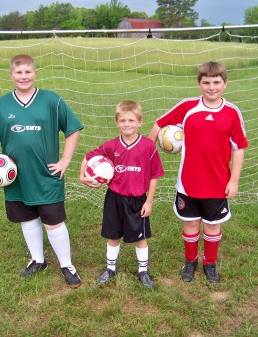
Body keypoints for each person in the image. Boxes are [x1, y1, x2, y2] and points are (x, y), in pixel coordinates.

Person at [0, 54, 83, 288]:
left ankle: (66, 265)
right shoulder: (1, 106)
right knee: (27, 218)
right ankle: (38, 260)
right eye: (18, 72)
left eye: (28, 72)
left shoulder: (51, 101)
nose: (23, 76)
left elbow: (73, 129)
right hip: (16, 178)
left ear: (35, 73)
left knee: (53, 222)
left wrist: (65, 159)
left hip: (46, 175)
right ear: (11, 75)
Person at [149, 61, 248, 284]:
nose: (211, 87)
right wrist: (147, 152)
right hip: (188, 183)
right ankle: (190, 261)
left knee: (213, 225)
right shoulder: (188, 107)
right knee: (191, 222)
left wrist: (234, 180)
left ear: (225, 83)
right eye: (206, 83)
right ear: (199, 83)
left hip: (218, 183)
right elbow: (158, 125)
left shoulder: (232, 112)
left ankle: (210, 263)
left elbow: (238, 147)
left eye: (216, 82)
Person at [80, 101, 165, 289]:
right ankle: (110, 268)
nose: (127, 124)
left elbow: (154, 175)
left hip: (137, 199)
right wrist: (82, 175)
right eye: (123, 120)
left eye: (131, 120)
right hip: (114, 198)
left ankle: (143, 271)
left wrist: (149, 201)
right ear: (117, 122)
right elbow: (88, 157)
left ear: (140, 121)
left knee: (140, 238)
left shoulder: (148, 147)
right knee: (113, 235)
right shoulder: (110, 146)